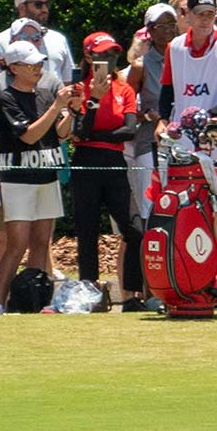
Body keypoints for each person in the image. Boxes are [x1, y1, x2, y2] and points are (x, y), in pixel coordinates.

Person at [156, 0, 217, 247]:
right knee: (189, 205)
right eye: (200, 13)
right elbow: (166, 92)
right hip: (184, 135)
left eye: (211, 13)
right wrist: (163, 120)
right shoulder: (175, 47)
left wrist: (206, 115)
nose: (206, 19)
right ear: (187, 14)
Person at [0, 40, 72, 313]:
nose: (38, 68)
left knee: (41, 241)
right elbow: (29, 135)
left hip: (46, 175)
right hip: (18, 178)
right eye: (31, 64)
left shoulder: (47, 93)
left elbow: (61, 134)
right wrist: (56, 106)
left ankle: (36, 300)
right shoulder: (6, 98)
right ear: (13, 67)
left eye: (39, 63)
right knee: (17, 243)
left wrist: (72, 110)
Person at [67, 31, 141, 306]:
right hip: (86, 163)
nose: (108, 60)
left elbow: (129, 129)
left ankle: (132, 293)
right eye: (101, 55)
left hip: (114, 163)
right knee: (86, 231)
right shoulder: (79, 89)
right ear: (88, 57)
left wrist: (98, 135)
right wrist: (94, 100)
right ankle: (90, 291)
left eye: (112, 54)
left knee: (131, 228)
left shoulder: (124, 89)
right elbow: (81, 132)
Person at [127, 2, 179, 254]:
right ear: (150, 30)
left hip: (180, 144)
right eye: (162, 25)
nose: (168, 30)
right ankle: (152, 281)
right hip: (149, 143)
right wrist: (147, 115)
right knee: (151, 211)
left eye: (172, 24)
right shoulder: (140, 66)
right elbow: (125, 108)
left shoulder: (185, 57)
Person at [0, 0, 74, 83]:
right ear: (22, 7)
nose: (45, 9)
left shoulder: (58, 39)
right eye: (38, 5)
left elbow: (67, 81)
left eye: (47, 4)